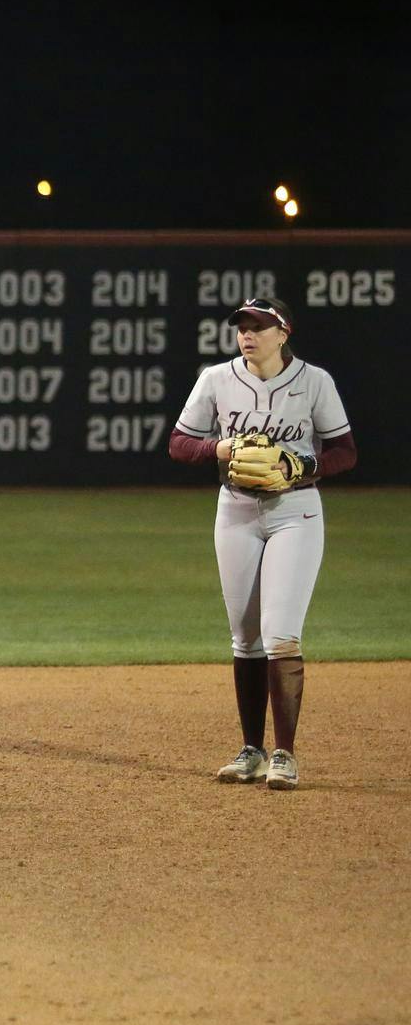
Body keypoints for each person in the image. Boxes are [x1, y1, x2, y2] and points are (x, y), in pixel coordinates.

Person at [169, 296, 357, 790]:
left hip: (296, 512)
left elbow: (344, 451)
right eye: (241, 327)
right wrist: (218, 447)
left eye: (258, 326)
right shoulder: (216, 379)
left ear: (283, 332)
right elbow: (180, 443)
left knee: (280, 636)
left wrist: (304, 466)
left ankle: (285, 755)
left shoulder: (315, 381)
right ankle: (251, 749)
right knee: (245, 638)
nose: (247, 335)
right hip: (235, 511)